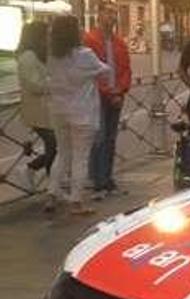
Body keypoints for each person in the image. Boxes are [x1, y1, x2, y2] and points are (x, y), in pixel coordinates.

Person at [46, 15, 110, 215]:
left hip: (58, 110)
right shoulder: (85, 54)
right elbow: (105, 70)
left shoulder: (52, 55)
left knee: (62, 153)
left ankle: (52, 194)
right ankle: (76, 201)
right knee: (80, 157)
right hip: (82, 112)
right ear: (75, 32)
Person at [83, 0, 132, 200]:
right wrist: (109, 93)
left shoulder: (120, 42)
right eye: (108, 13)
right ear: (99, 14)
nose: (112, 17)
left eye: (114, 13)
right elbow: (90, 71)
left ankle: (106, 177)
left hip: (115, 96)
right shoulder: (89, 39)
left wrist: (120, 91)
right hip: (97, 96)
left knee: (110, 138)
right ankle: (98, 179)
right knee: (99, 137)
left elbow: (126, 69)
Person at [16, 21, 55, 185]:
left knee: (55, 145)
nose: (49, 38)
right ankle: (32, 170)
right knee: (55, 145)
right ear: (37, 36)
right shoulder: (28, 57)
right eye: (46, 34)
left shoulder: (40, 54)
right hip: (37, 111)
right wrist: (54, 83)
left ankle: (48, 180)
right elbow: (34, 85)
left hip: (46, 110)